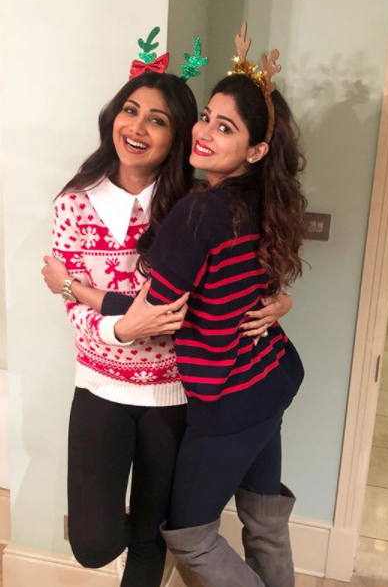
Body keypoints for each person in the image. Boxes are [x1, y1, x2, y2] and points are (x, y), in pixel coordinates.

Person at [42, 30, 292, 587]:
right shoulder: (74, 203)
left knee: (151, 545)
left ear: (176, 135)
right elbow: (76, 311)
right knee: (93, 543)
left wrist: (279, 299)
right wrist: (118, 327)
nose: (137, 127)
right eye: (130, 110)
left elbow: (232, 278)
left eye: (157, 119)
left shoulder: (193, 202)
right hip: (101, 388)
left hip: (173, 395)